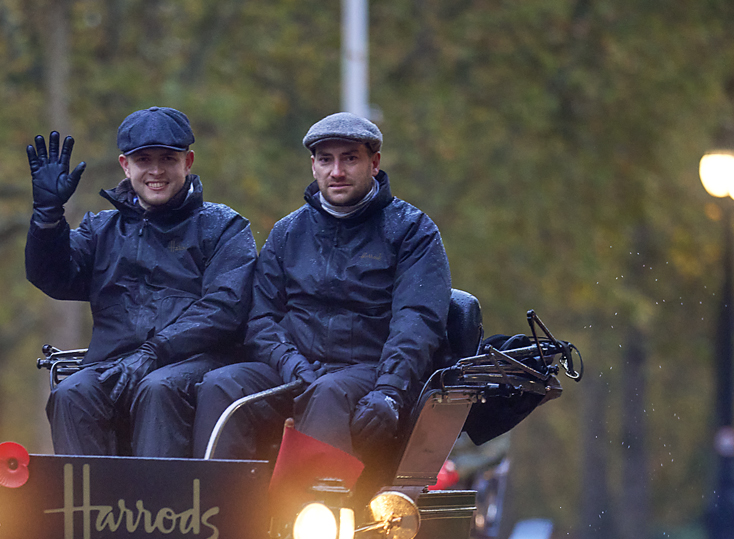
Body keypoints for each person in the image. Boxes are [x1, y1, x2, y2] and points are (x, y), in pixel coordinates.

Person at [192, 112, 451, 465]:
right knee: (220, 385)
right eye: (326, 160)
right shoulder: (288, 232)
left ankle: (314, 511)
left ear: (374, 163)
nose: (337, 172)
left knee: (329, 392)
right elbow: (261, 318)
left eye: (350, 158)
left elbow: (416, 321)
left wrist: (390, 389)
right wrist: (289, 362)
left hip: (367, 369)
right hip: (295, 367)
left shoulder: (412, 231)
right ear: (313, 166)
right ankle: (216, 511)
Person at [25, 107, 257, 457]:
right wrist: (47, 218)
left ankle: (161, 508)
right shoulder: (100, 229)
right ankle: (87, 507)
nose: (156, 171)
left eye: (168, 158)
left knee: (157, 387)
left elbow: (225, 307)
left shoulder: (223, 226)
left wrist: (155, 351)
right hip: (113, 364)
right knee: (70, 393)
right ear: (125, 165)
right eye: (144, 159)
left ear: (188, 161)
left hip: (195, 362)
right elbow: (54, 276)